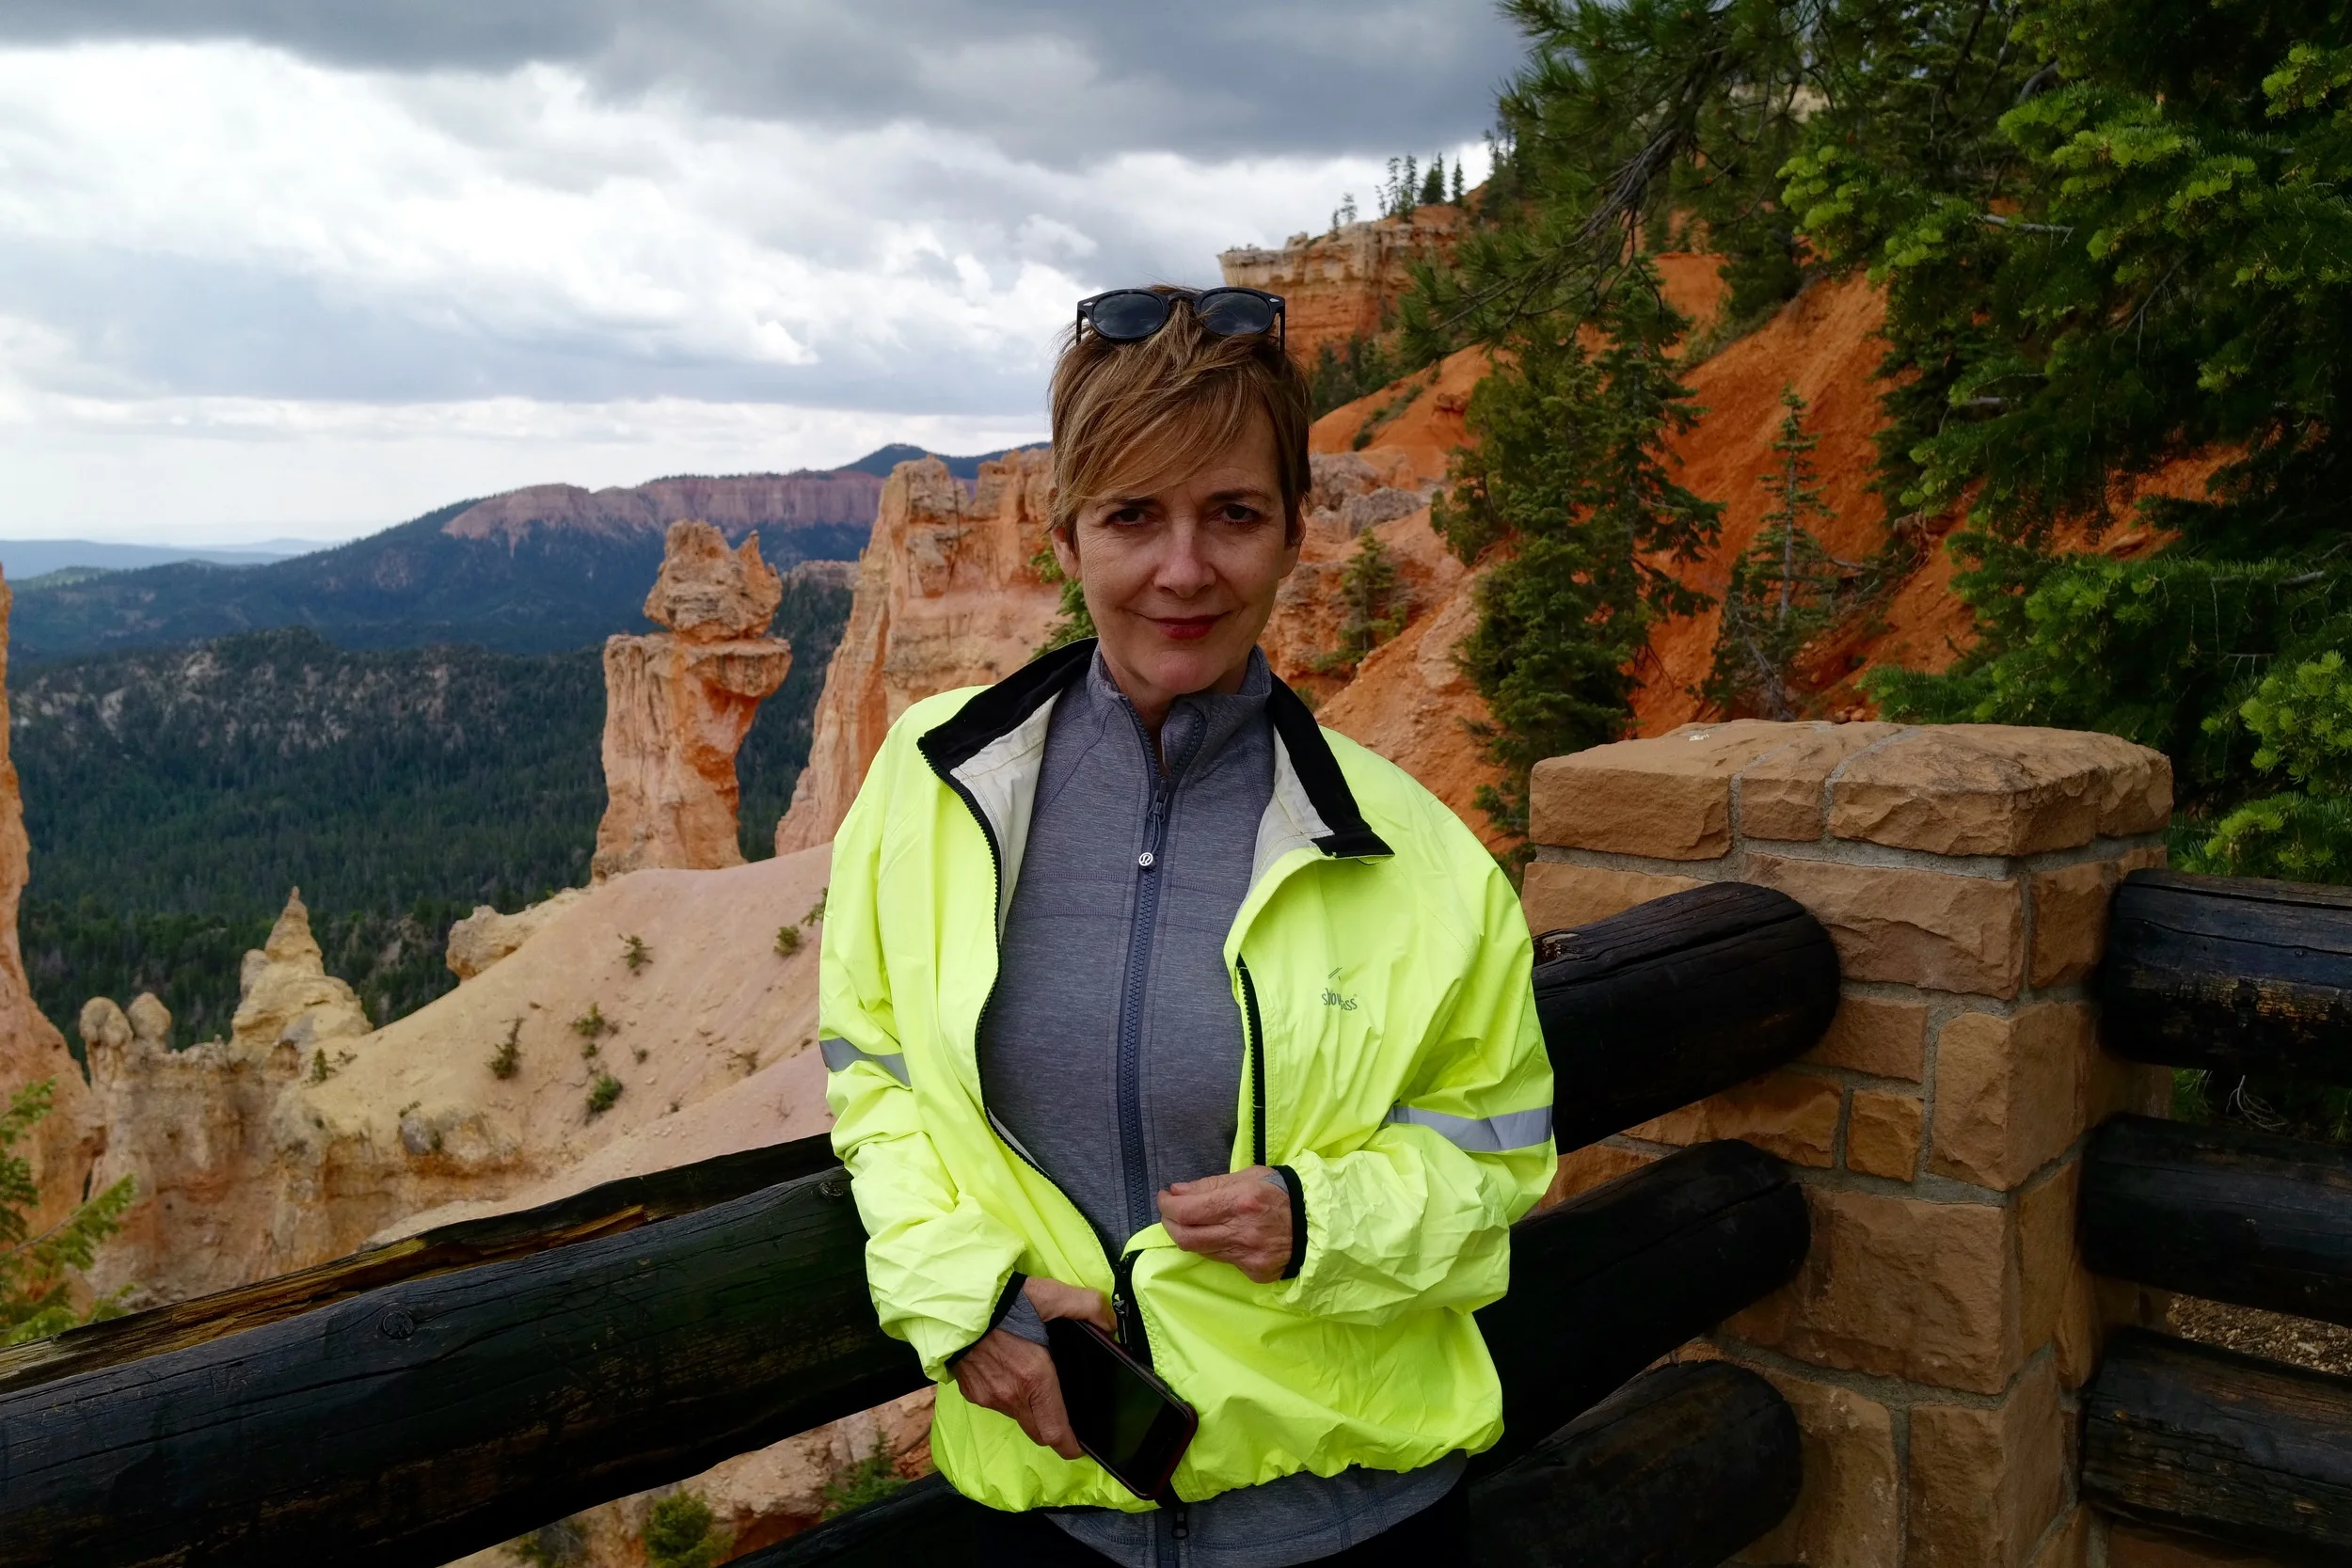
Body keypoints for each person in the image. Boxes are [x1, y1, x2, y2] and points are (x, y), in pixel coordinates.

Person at [819, 283, 1554, 1567]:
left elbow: (1492, 1166)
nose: (1183, 569)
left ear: (1293, 532)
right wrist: (964, 1297)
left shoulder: (1421, 858)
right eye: (1133, 516)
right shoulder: (929, 787)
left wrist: (1325, 1221)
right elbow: (876, 1079)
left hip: (1351, 1523)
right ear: (1064, 532)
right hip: (1054, 1510)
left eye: (1232, 514)